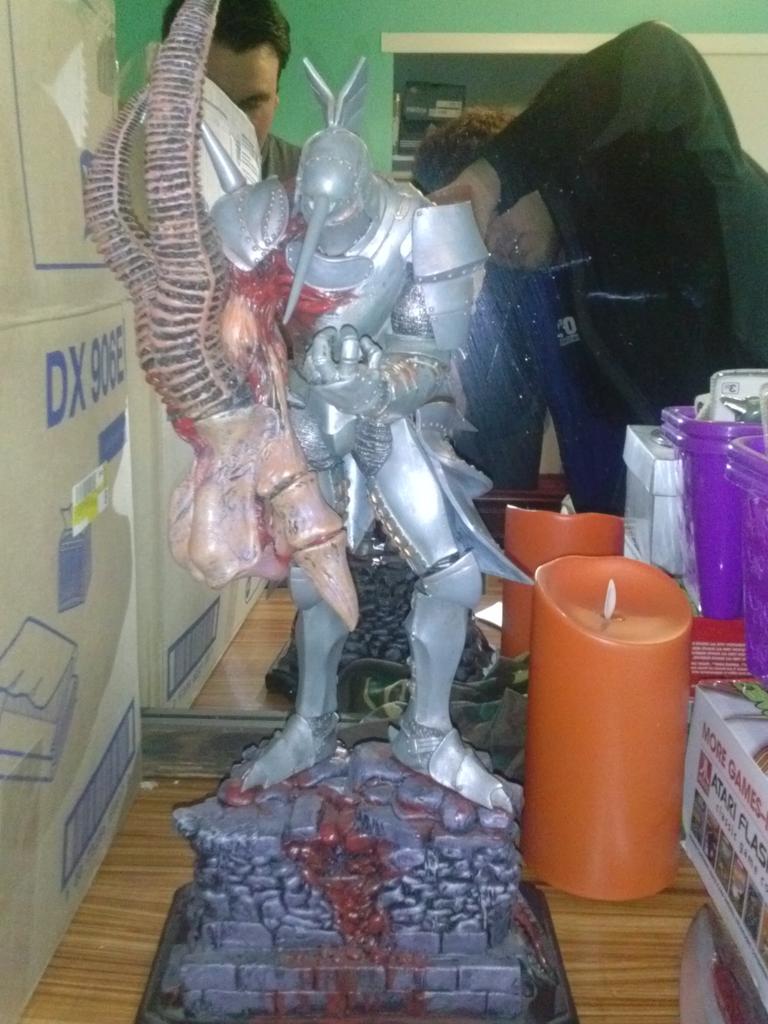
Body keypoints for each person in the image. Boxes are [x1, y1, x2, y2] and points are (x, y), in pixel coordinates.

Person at [431, 21, 768, 512]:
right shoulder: (535, 293)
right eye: (475, 241)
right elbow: (499, 443)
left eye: (488, 215)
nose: (493, 242)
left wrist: (485, 178)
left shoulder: (662, 181)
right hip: (651, 532)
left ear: (529, 169)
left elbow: (659, 54)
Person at [162, 0, 300, 180]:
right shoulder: (130, 173)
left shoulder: (309, 181)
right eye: (209, 100)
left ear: (275, 101)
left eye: (251, 104)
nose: (231, 129)